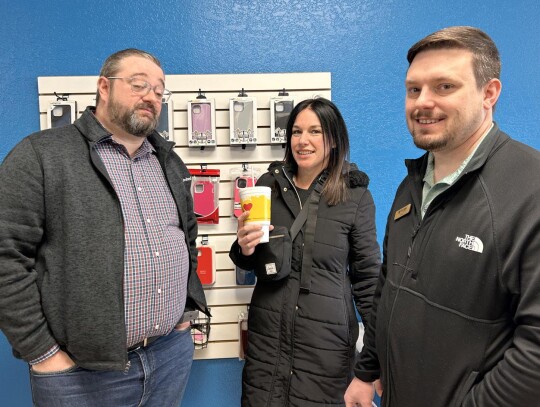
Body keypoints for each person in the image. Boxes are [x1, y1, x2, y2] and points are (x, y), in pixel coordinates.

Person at [0, 48, 209, 406]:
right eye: (138, 84)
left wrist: (184, 317)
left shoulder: (169, 161)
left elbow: (186, 237)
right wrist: (43, 353)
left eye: (160, 91)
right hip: (81, 376)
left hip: (168, 355)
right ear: (103, 87)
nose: (150, 97)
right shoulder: (42, 155)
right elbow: (6, 257)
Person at [345, 26, 540, 407]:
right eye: (414, 89)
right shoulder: (412, 184)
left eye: (444, 87)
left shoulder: (528, 189)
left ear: (489, 93)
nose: (422, 102)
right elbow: (389, 286)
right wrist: (367, 371)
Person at [229, 98, 381, 406]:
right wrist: (243, 248)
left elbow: (368, 281)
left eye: (315, 131)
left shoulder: (354, 196)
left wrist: (376, 358)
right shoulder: (266, 186)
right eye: (297, 131)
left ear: (334, 139)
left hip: (325, 345)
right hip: (268, 340)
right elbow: (252, 260)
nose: (303, 140)